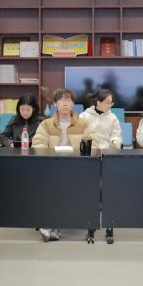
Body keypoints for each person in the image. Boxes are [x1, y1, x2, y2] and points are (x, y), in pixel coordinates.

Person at [31, 89, 93, 241]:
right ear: (55, 104)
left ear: (73, 104)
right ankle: (53, 226)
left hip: (78, 167)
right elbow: (37, 144)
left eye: (68, 100)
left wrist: (78, 153)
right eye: (61, 100)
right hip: (54, 166)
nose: (65, 103)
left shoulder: (83, 124)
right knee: (52, 183)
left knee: (62, 185)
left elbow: (94, 143)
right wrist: (51, 153)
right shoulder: (46, 124)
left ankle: (51, 226)